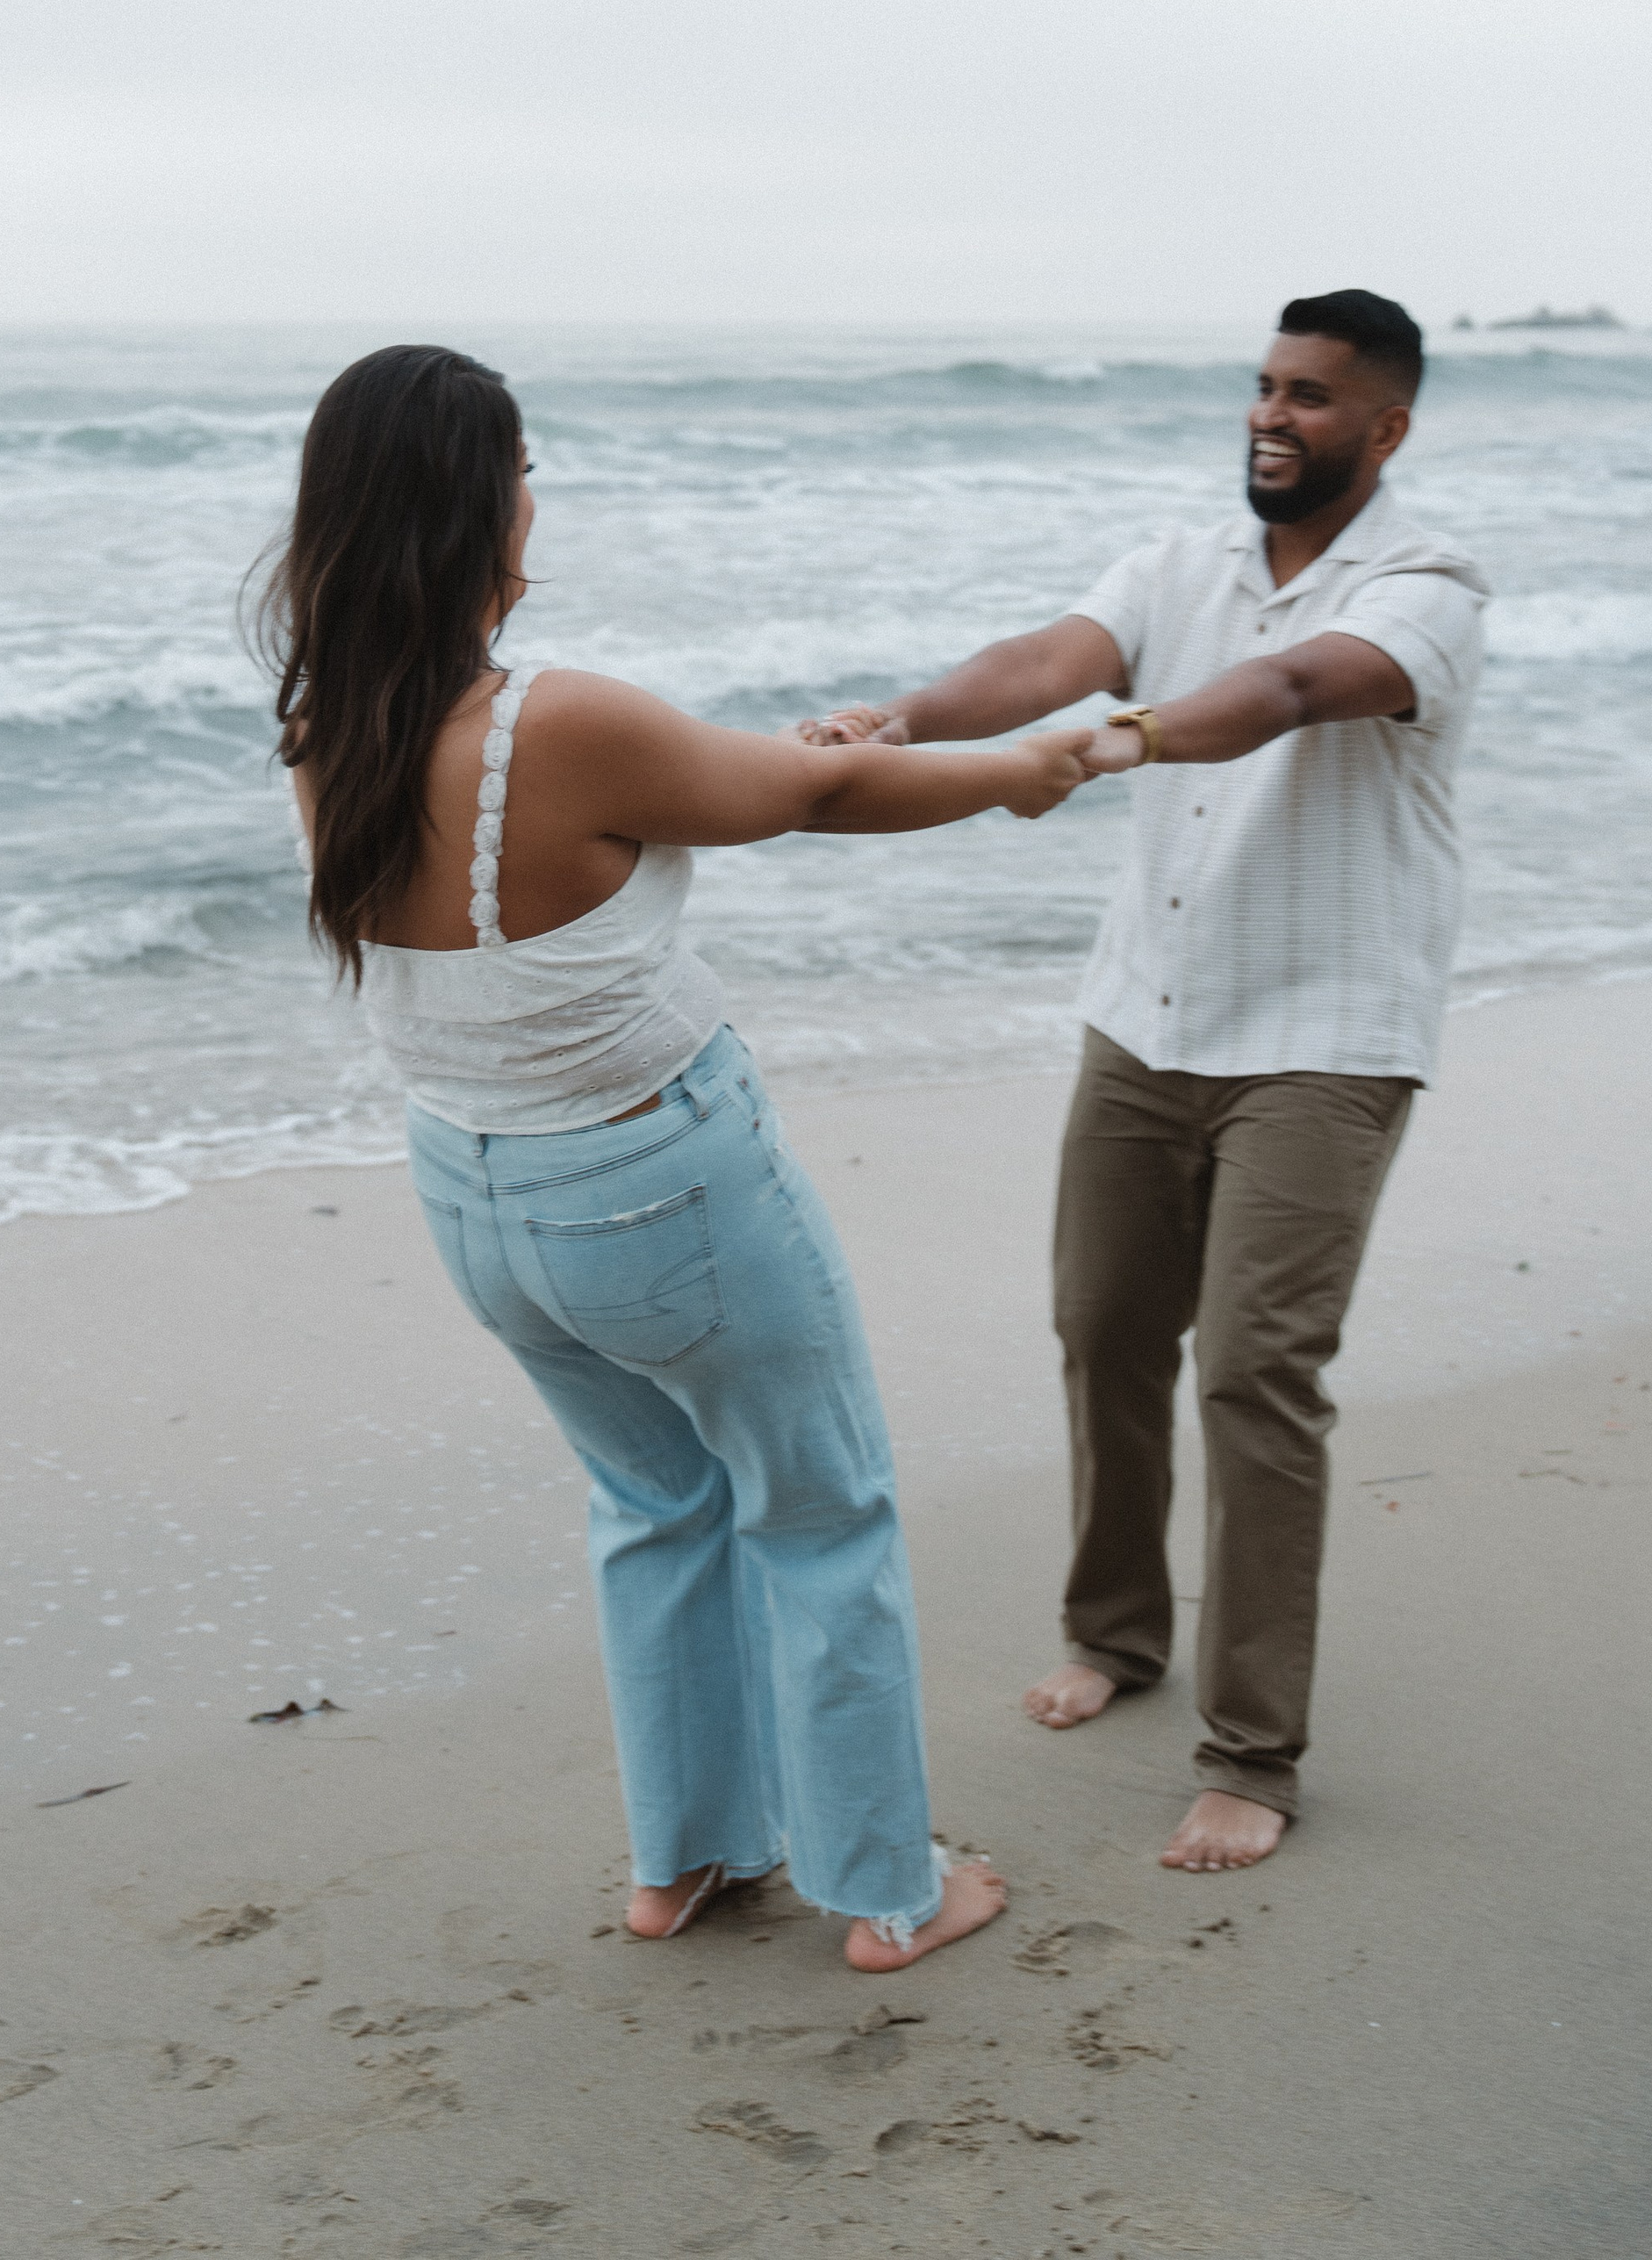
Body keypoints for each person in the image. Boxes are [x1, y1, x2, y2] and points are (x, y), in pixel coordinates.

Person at [257, 342, 1095, 1968]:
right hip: (662, 1191)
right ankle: (888, 1892)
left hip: (476, 1201)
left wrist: (805, 753)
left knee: (653, 1506)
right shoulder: (554, 723)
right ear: (470, 504)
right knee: (821, 1511)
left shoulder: (328, 727)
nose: (529, 504)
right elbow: (817, 801)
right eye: (518, 473)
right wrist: (1023, 769)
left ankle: (684, 1862)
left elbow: (744, 781)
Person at [800, 292, 1487, 1873]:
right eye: (1262, 386)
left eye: (1311, 396)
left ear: (1383, 429)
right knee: (1105, 1327)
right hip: (1147, 1020)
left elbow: (1297, 695)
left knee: (1255, 1370)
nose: (1272, 415)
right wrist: (907, 719)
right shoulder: (1179, 567)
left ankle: (1252, 1749)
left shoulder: (1430, 584)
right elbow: (1048, 658)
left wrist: (1113, 748)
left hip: (1322, 1036)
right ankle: (1115, 1633)